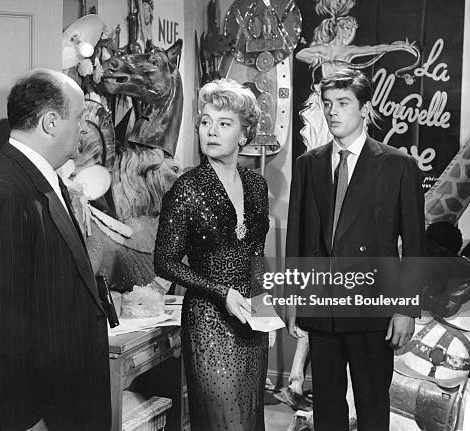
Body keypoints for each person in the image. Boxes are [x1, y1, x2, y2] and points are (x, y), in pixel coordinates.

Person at [0, 69, 111, 431]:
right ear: (50, 122)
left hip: (67, 399)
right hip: (41, 413)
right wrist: (27, 419)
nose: (83, 129)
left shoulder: (43, 177)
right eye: (78, 119)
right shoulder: (4, 191)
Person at [285, 68, 425, 430]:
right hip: (323, 309)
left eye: (343, 103)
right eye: (327, 104)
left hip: (373, 310)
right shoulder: (307, 165)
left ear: (365, 108)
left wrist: (406, 308)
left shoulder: (399, 166)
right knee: (327, 412)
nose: (333, 112)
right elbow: (298, 240)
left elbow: (414, 244)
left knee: (372, 409)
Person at [154, 78, 270, 431]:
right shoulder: (186, 189)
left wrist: (266, 311)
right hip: (208, 321)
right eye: (206, 122)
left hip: (252, 322)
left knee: (250, 420)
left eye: (224, 123)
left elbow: (257, 253)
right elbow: (165, 262)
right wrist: (223, 292)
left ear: (244, 135)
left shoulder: (256, 185)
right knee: (224, 423)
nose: (212, 131)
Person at [295, 15, 418, 151]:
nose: (349, 32)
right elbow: (300, 54)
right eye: (347, 28)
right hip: (326, 100)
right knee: (320, 136)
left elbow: (374, 49)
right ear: (339, 29)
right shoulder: (324, 49)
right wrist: (319, 58)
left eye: (351, 29)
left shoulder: (349, 50)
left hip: (343, 101)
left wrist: (397, 46)